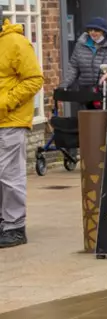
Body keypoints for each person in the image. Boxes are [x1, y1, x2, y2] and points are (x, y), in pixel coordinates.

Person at [0, 17, 44, 250]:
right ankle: (4, 222)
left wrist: (5, 102)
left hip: (10, 120)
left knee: (9, 174)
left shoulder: (16, 42)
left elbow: (35, 79)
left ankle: (15, 227)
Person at [65, 18, 107, 104]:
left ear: (104, 32)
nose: (92, 32)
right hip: (86, 94)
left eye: (96, 30)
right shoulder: (80, 45)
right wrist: (65, 85)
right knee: (87, 117)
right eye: (90, 30)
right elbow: (73, 67)